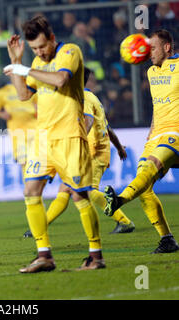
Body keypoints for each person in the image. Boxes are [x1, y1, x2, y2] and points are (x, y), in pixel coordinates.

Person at [4, 15, 104, 273]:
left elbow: (61, 80)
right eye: (34, 49)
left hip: (70, 135)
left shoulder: (70, 51)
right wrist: (16, 63)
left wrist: (25, 69)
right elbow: (24, 95)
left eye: (41, 46)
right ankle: (44, 255)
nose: (39, 52)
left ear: (51, 38)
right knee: (31, 191)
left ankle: (96, 256)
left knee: (79, 195)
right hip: (44, 139)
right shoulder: (37, 62)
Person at [23, 67, 134, 238]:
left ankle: (124, 221)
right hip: (91, 151)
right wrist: (119, 147)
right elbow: (107, 126)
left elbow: (88, 122)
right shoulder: (89, 97)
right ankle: (40, 226)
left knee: (87, 190)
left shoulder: (83, 98)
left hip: (93, 152)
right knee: (66, 189)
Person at [104, 29, 179, 254]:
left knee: (151, 167)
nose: (148, 52)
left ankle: (120, 199)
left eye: (152, 48)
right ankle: (167, 240)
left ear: (167, 47)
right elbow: (160, 104)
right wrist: (152, 130)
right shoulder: (151, 72)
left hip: (176, 132)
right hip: (156, 135)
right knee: (144, 186)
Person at [0, 82, 37, 171]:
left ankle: (34, 183)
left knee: (37, 160)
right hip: (17, 132)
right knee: (23, 160)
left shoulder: (31, 88)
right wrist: (3, 114)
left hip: (34, 129)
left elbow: (38, 106)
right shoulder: (2, 92)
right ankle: (28, 183)